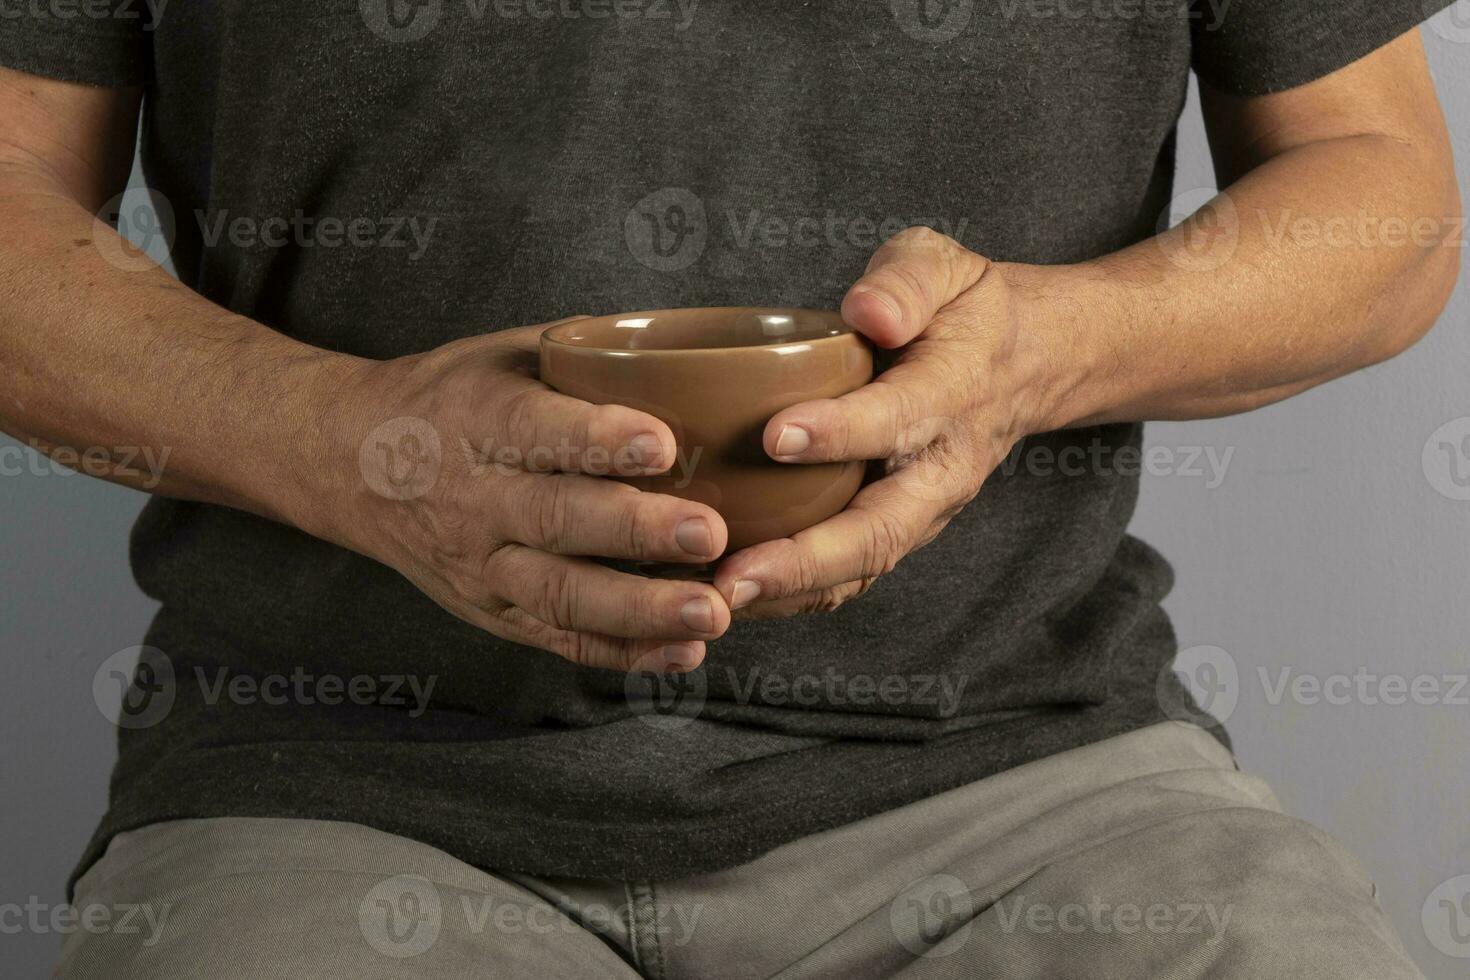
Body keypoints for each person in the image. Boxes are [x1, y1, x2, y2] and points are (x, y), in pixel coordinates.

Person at [1, 1, 1461, 977]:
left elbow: (1380, 187)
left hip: (1036, 770)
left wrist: (1047, 351)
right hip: (334, 785)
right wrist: (347, 443)